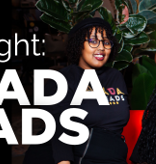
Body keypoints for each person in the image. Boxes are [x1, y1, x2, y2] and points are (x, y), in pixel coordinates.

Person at [22, 18, 130, 164]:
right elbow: (58, 129)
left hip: (111, 155)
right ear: (79, 45)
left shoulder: (115, 77)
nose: (101, 47)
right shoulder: (62, 79)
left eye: (106, 42)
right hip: (72, 157)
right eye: (93, 41)